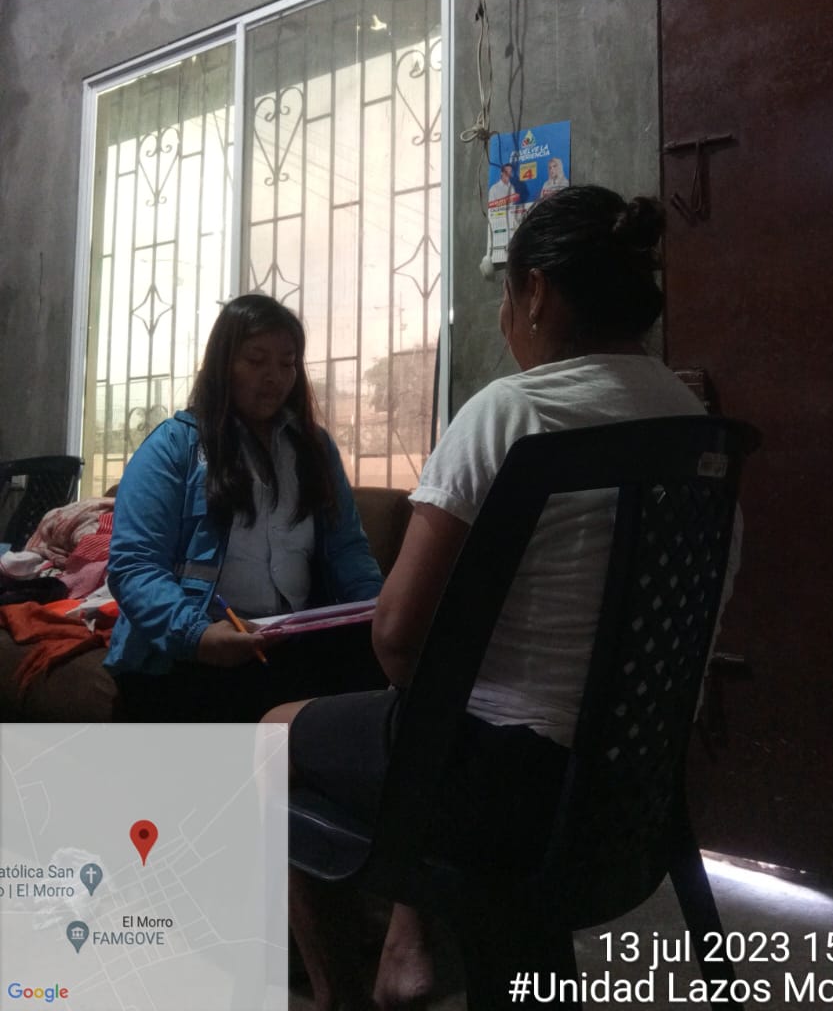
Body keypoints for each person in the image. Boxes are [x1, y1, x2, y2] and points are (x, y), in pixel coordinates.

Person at [266, 186, 738, 1009]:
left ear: (536, 292)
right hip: (633, 784)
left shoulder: (509, 413)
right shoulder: (694, 424)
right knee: (434, 717)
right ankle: (419, 946)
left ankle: (347, 996)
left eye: (506, 295)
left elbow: (397, 636)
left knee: (272, 734)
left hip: (504, 788)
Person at [106, 293, 383, 722]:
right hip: (192, 649)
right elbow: (134, 564)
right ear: (223, 363)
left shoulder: (314, 448)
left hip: (291, 640)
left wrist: (379, 611)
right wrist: (197, 635)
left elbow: (348, 549)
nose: (274, 377)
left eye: (287, 363)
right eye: (256, 360)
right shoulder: (174, 446)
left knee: (383, 682)